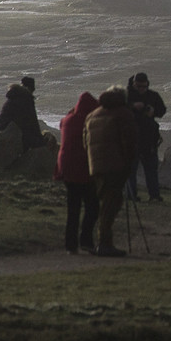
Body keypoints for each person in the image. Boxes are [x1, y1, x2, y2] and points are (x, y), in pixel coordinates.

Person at [84, 87, 137, 257]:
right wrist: (129, 163)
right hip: (115, 165)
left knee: (106, 202)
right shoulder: (123, 114)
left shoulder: (93, 114)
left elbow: (85, 142)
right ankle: (104, 243)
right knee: (112, 203)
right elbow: (129, 141)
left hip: (96, 165)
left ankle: (103, 242)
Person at [54, 91, 100, 254]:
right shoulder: (90, 121)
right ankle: (86, 240)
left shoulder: (67, 119)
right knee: (92, 206)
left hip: (66, 167)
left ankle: (70, 244)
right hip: (82, 167)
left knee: (73, 208)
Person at [124, 73, 166, 202]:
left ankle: (154, 195)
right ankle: (131, 195)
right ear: (133, 84)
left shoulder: (153, 96)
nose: (142, 89)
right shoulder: (126, 96)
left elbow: (162, 110)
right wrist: (132, 107)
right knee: (131, 170)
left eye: (144, 86)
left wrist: (153, 112)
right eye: (139, 86)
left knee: (151, 169)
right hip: (132, 137)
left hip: (149, 138)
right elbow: (118, 110)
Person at [0, 76, 43, 152]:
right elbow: (33, 122)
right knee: (35, 141)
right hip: (12, 133)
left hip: (2, 129)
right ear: (31, 89)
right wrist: (41, 141)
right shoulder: (26, 98)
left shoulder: (14, 96)